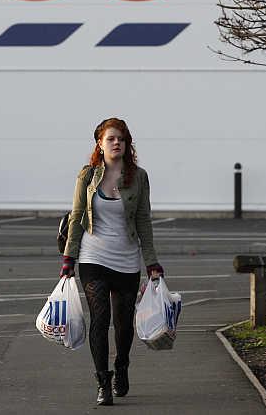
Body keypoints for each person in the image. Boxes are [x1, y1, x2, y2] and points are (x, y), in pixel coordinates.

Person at [60, 118, 164, 406]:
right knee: (100, 319)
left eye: (121, 138)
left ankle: (122, 366)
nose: (116, 142)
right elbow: (76, 215)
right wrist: (69, 257)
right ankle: (102, 382)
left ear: (127, 143)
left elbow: (144, 220)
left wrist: (152, 262)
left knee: (123, 323)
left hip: (127, 258)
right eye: (111, 139)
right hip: (93, 256)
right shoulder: (88, 176)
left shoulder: (139, 177)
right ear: (99, 144)